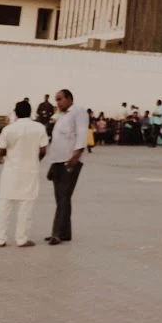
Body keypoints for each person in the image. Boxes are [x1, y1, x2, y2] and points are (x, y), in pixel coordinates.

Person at [0, 99, 49, 247]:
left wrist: (8, 154)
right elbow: (43, 150)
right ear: (30, 112)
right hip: (30, 171)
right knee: (26, 205)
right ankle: (22, 239)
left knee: (4, 204)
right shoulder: (39, 128)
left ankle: (1, 239)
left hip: (10, 171)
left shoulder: (9, 129)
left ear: (16, 113)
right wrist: (34, 160)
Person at [43, 89, 88, 245]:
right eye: (56, 100)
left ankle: (56, 233)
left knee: (63, 196)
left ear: (69, 98)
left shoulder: (78, 112)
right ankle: (65, 233)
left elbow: (82, 134)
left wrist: (75, 156)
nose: (58, 102)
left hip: (70, 161)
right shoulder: (60, 115)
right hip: (57, 160)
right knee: (61, 198)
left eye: (60, 99)